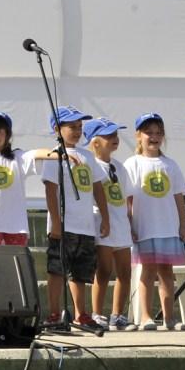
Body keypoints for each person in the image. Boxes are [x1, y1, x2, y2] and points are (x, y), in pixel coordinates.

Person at [39, 106, 110, 332]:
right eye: (72, 127)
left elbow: (98, 188)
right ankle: (53, 312)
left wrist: (105, 217)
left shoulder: (88, 156)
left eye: (80, 127)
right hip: (64, 224)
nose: (77, 131)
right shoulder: (53, 156)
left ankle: (81, 314)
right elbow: (51, 191)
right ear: (57, 129)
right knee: (57, 270)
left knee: (80, 272)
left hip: (85, 225)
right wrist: (56, 221)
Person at [123, 112, 185, 331]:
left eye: (158, 133)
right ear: (138, 136)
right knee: (148, 270)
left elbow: (178, 197)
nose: (153, 137)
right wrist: (129, 225)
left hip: (168, 227)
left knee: (166, 272)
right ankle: (145, 316)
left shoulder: (169, 165)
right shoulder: (132, 163)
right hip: (145, 227)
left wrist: (183, 224)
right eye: (148, 133)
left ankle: (169, 318)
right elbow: (128, 199)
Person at [0, 112, 62, 246]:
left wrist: (60, 154)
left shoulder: (18, 157)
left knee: (16, 265)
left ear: (7, 135)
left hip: (16, 227)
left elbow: (37, 153)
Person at [83, 119, 136, 331]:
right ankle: (97, 314)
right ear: (95, 142)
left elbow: (125, 197)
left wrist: (130, 222)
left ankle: (117, 315)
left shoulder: (120, 167)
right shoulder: (91, 165)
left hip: (120, 222)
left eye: (116, 135)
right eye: (109, 136)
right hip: (101, 223)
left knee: (124, 272)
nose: (115, 140)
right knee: (103, 270)